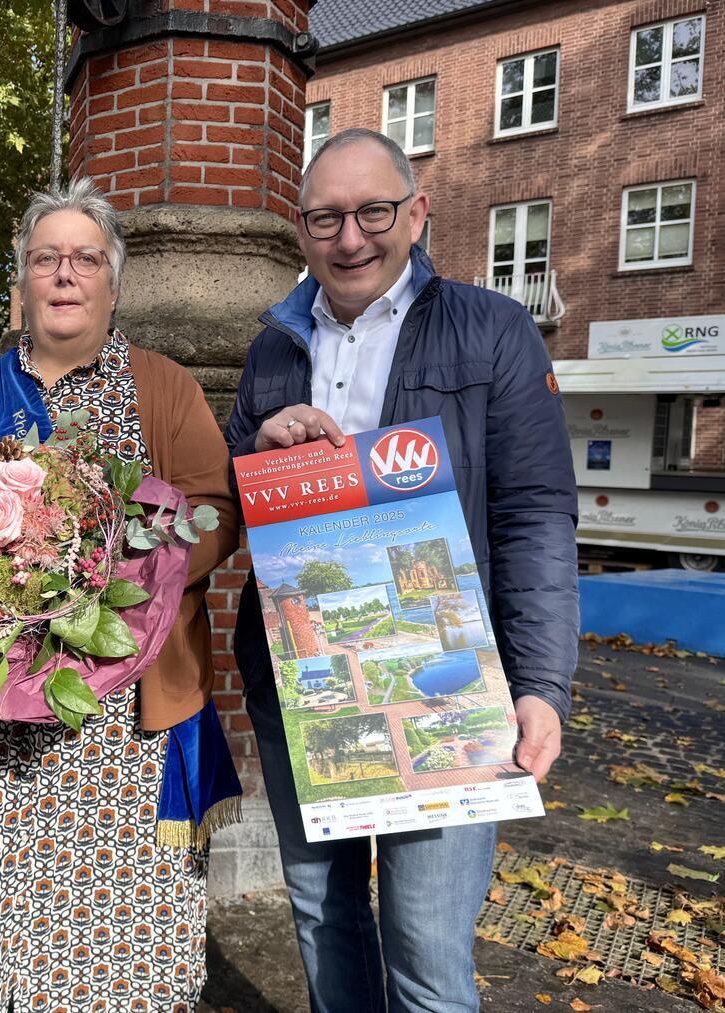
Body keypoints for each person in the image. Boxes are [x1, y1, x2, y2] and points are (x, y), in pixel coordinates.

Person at [225, 127, 578, 1013]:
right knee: (323, 915)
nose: (350, 238)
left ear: (416, 214)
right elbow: (233, 498)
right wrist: (255, 449)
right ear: (301, 229)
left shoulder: (493, 330)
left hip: (451, 688)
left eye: (373, 212)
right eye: (326, 218)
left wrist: (541, 683)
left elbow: (535, 515)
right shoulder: (272, 347)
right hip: (303, 684)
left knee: (425, 951)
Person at [0, 179, 240, 1010]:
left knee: (129, 941)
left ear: (114, 282)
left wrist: (118, 580)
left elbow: (215, 510)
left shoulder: (162, 385)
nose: (65, 274)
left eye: (86, 258)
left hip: (123, 718)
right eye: (46, 259)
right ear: (23, 280)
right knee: (6, 920)